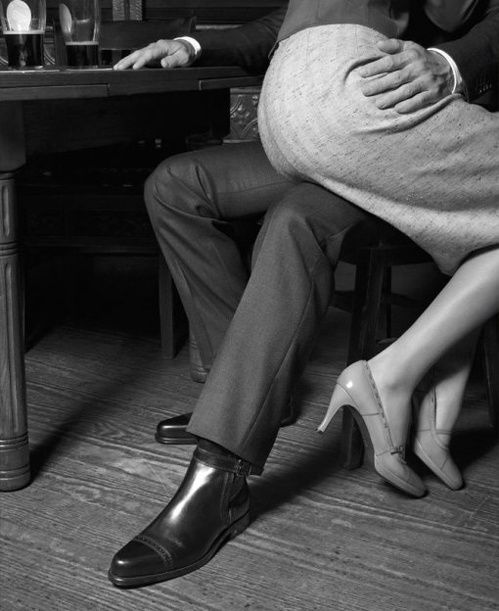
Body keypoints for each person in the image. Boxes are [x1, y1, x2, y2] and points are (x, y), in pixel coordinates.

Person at [108, 2, 499, 588]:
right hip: (324, 114)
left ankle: (220, 471)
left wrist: (451, 60)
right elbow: (280, 23)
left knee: (296, 218)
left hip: (387, 117)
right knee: (174, 186)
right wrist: (191, 45)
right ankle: (244, 393)